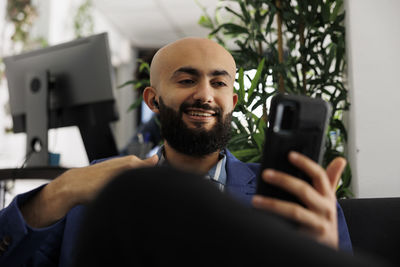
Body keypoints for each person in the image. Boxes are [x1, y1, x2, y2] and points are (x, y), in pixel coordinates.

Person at [0, 37, 351, 267]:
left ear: (233, 101)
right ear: (153, 100)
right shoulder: (92, 186)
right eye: (186, 80)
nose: (205, 94)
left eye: (219, 83)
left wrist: (321, 253)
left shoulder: (292, 193)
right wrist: (58, 191)